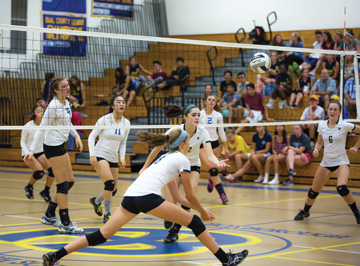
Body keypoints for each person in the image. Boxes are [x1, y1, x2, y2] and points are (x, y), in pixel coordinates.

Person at [42, 129, 248, 266]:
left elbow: (176, 196)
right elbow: (191, 195)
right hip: (146, 197)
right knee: (194, 221)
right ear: (185, 143)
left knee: (102, 235)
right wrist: (201, 212)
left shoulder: (166, 157)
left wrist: (199, 209)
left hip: (130, 196)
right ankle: (225, 259)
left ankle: (55, 255)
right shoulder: (182, 159)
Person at [139, 104, 229, 243]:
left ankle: (174, 231)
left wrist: (218, 163)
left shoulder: (203, 132)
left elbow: (210, 155)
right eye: (194, 115)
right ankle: (170, 217)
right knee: (170, 201)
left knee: (188, 198)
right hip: (174, 166)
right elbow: (157, 148)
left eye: (199, 115)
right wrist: (145, 167)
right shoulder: (176, 131)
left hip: (192, 166)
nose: (197, 117)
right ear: (185, 117)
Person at [24, 77, 84, 234]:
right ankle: (65, 223)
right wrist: (31, 150)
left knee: (70, 181)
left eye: (67, 85)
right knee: (62, 184)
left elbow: (67, 123)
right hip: (52, 146)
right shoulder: (53, 106)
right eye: (63, 86)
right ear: (56, 90)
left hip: (60, 145)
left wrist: (76, 135)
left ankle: (49, 214)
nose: (67, 87)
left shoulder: (66, 103)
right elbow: (42, 127)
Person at [294, 100, 360, 225]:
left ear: (340, 112)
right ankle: (305, 211)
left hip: (341, 161)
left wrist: (356, 147)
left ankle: (357, 212)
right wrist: (316, 150)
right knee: (314, 190)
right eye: (331, 109)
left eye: (335, 110)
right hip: (326, 161)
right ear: (327, 111)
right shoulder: (322, 125)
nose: (332, 112)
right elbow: (319, 142)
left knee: (342, 188)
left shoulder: (344, 125)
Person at [88, 95, 130, 223]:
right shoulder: (104, 120)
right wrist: (92, 155)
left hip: (113, 157)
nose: (121, 104)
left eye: (123, 102)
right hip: (100, 153)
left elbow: (123, 143)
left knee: (113, 189)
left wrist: (122, 158)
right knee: (109, 184)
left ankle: (96, 201)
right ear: (112, 106)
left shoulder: (126, 123)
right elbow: (91, 137)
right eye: (118, 102)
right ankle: (108, 214)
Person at [200, 94, 230, 204]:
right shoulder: (200, 114)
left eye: (213, 100)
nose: (211, 102)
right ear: (205, 102)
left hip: (215, 143)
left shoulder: (218, 115)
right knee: (212, 168)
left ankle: (211, 179)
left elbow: (221, 131)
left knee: (214, 167)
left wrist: (226, 147)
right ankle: (223, 195)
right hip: (202, 144)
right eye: (209, 100)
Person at [22, 105, 55, 202]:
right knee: (39, 173)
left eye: (42, 111)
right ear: (33, 114)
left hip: (40, 151)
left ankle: (46, 191)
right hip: (28, 152)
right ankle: (29, 187)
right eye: (38, 111)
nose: (41, 112)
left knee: (53, 171)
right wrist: (27, 153)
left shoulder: (46, 125)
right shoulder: (28, 126)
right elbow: (22, 142)